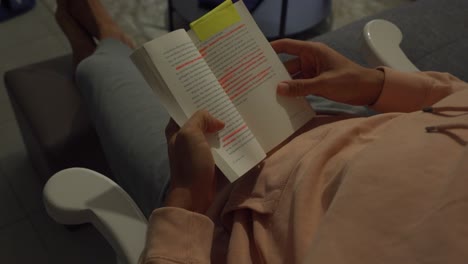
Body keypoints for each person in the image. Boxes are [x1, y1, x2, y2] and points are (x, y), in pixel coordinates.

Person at [55, 0, 468, 263]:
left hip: (223, 192)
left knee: (106, 75)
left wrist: (186, 196)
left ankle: (99, 45)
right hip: (335, 122)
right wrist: (372, 85)